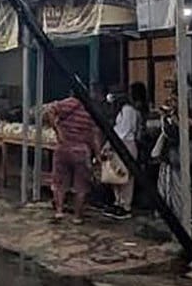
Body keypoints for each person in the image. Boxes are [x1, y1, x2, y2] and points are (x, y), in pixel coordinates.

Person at [46, 95, 101, 224]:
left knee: (59, 182)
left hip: (63, 148)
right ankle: (77, 216)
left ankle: (59, 212)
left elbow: (50, 110)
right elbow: (94, 135)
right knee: (81, 185)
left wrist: (58, 130)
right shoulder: (91, 110)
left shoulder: (69, 103)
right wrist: (97, 155)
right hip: (81, 151)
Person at [103, 92, 142, 220]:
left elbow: (123, 130)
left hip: (125, 144)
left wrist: (111, 143)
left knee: (125, 176)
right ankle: (118, 201)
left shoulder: (128, 110)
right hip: (118, 143)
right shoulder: (122, 111)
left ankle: (125, 205)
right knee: (116, 175)